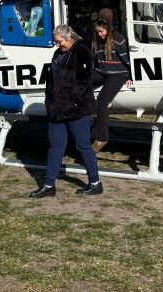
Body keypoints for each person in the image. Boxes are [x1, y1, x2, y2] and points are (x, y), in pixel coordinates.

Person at [29, 25, 102, 198]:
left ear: (68, 37)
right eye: (55, 42)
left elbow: (84, 82)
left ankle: (95, 182)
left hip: (77, 109)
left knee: (82, 144)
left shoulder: (82, 52)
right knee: (55, 145)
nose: (57, 45)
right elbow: (52, 80)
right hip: (57, 110)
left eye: (59, 41)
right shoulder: (58, 54)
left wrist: (73, 102)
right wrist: (51, 102)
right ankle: (48, 185)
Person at [90, 17, 132, 152]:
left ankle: (101, 136)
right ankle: (83, 120)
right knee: (82, 83)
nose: (100, 34)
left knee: (102, 101)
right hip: (102, 71)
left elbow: (128, 58)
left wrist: (131, 75)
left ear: (107, 29)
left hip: (119, 73)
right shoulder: (97, 41)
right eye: (97, 32)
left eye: (101, 31)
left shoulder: (118, 39)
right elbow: (96, 61)